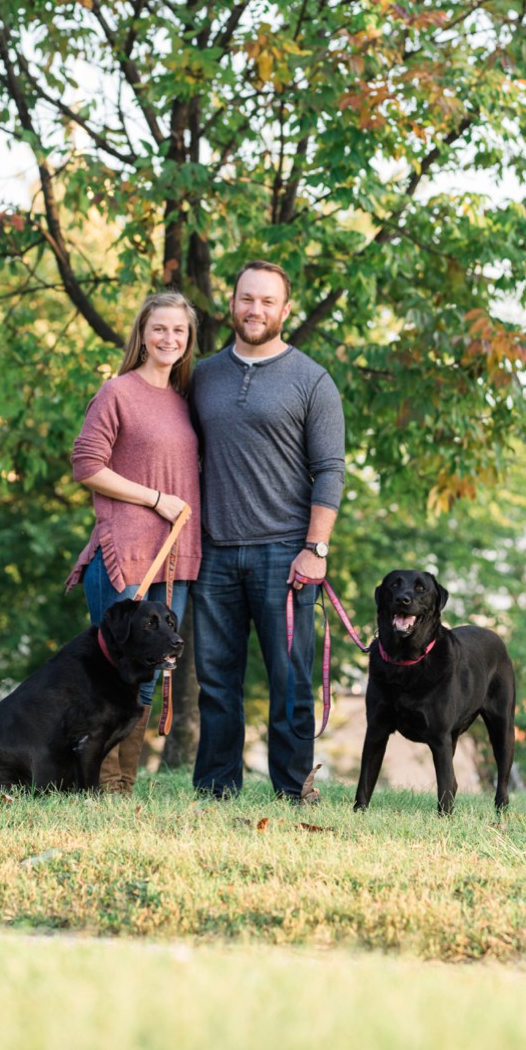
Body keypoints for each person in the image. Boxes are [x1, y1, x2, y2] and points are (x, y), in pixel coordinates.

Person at [189, 260, 345, 802]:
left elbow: (330, 469)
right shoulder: (202, 374)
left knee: (291, 683)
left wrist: (315, 548)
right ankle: (215, 791)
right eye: (246, 298)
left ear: (285, 310)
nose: (255, 310)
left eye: (267, 301)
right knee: (215, 682)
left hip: (286, 554)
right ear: (231, 304)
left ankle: (292, 789)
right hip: (213, 553)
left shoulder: (312, 380)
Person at [66, 291, 201, 793]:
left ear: (188, 342)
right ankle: (95, 783)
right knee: (112, 668)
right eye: (160, 328)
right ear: (142, 333)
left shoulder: (184, 402)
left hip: (175, 559)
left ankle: (121, 786)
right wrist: (156, 498)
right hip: (128, 553)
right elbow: (86, 465)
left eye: (179, 331)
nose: (170, 338)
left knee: (149, 669)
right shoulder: (117, 391)